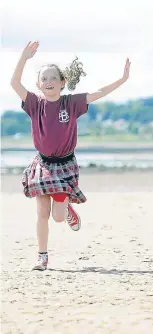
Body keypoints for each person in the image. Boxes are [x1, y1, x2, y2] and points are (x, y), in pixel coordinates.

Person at [10, 41, 131, 271]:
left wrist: (122, 80)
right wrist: (24, 58)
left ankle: (66, 209)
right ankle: (42, 258)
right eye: (44, 79)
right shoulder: (35, 103)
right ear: (38, 84)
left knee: (57, 217)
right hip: (42, 164)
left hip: (65, 165)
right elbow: (14, 83)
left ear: (62, 82)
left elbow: (100, 93)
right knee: (42, 213)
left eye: (53, 78)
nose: (48, 82)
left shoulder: (71, 103)